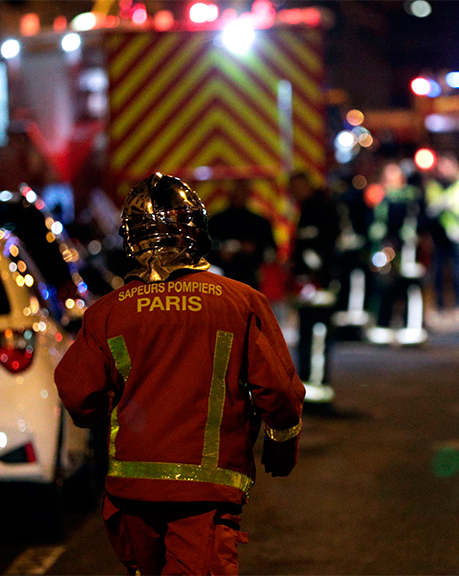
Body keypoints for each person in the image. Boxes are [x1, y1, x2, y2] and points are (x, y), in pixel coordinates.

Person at [54, 173, 305, 575]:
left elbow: (80, 397)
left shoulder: (107, 312)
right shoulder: (240, 302)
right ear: (196, 230)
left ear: (131, 239)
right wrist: (282, 444)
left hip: (131, 491)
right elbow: (278, 389)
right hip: (206, 493)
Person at [287, 171, 341, 404]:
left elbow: (322, 248)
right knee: (309, 337)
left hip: (320, 287)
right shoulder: (308, 208)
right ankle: (309, 386)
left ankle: (316, 388)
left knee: (317, 336)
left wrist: (309, 273)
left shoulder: (320, 209)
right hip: (311, 287)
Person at [366, 161, 427, 345]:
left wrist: (412, 235)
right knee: (385, 288)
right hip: (387, 248)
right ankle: (383, 326)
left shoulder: (412, 196)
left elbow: (421, 219)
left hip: (408, 249)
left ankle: (411, 327)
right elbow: (375, 221)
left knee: (410, 287)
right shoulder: (380, 196)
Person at [424, 152, 459, 319]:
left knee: (458, 271)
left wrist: (444, 204)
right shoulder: (434, 184)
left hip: (458, 234)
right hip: (438, 235)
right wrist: (444, 204)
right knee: (438, 271)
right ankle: (439, 306)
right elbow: (431, 207)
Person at [208, 179, 276, 290]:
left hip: (250, 279)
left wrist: (254, 249)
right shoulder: (215, 222)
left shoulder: (260, 223)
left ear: (248, 195)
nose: (239, 196)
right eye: (236, 192)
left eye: (243, 192)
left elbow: (270, 251)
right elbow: (204, 250)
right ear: (229, 195)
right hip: (220, 281)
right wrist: (219, 253)